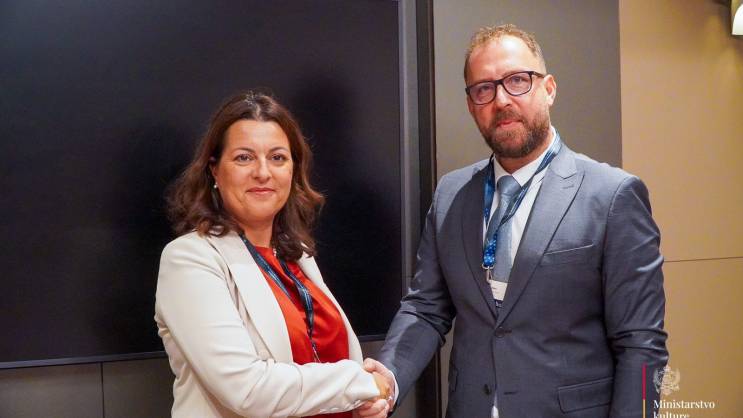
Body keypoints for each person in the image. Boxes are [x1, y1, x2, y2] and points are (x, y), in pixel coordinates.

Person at [360, 24, 668, 418]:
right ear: (471, 104)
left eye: (518, 81)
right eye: (484, 89)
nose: (501, 99)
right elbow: (425, 308)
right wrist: (389, 379)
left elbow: (641, 343)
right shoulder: (451, 194)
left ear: (549, 89)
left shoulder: (612, 196)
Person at [155, 91, 391, 418]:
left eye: (278, 157)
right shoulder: (189, 259)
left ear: (293, 169)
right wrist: (360, 384)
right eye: (244, 158)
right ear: (214, 170)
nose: (263, 172)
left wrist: (367, 401)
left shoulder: (298, 256)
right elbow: (248, 390)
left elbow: (329, 360)